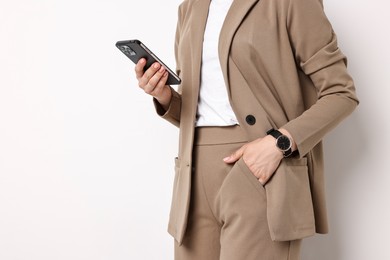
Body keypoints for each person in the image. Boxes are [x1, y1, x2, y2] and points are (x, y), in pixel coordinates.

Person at [133, 0, 359, 259]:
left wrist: (279, 143)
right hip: (192, 178)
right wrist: (164, 96)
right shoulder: (190, 7)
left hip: (261, 172)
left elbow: (341, 93)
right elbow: (199, 107)